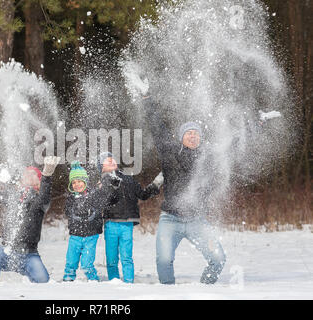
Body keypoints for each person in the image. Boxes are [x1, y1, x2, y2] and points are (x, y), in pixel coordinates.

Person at [128, 75, 228, 285]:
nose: (193, 136)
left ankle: (205, 291)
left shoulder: (207, 158)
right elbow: (157, 126)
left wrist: (257, 124)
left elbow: (232, 146)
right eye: (189, 133)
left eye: (196, 134)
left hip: (196, 220)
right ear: (181, 137)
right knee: (163, 261)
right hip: (170, 220)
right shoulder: (170, 151)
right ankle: (168, 294)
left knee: (218, 259)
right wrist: (147, 98)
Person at [0, 153, 60, 284]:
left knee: (43, 281)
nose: (28, 174)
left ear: (39, 182)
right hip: (8, 251)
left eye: (33, 173)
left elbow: (44, 196)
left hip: (29, 255)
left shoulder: (39, 201)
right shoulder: (14, 197)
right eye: (26, 173)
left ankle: (29, 276)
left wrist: (47, 175)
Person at [99, 152, 164, 283]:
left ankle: (129, 283)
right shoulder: (102, 182)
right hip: (111, 223)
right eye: (106, 160)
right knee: (111, 258)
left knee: (126, 257)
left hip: (127, 223)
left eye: (112, 159)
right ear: (101, 167)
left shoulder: (128, 179)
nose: (111, 160)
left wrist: (157, 183)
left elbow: (143, 194)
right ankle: (113, 282)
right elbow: (102, 200)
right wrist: (109, 186)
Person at [63, 161, 119, 282]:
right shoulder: (71, 198)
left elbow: (107, 198)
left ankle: (93, 281)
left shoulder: (94, 195)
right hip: (75, 236)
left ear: (85, 181)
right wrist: (78, 209)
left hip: (90, 236)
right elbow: (67, 212)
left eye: (79, 181)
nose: (76, 185)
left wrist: (111, 186)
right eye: (73, 182)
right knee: (70, 263)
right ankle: (67, 281)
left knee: (86, 264)